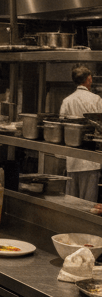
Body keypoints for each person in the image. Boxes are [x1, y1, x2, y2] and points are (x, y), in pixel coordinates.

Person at [60, 66, 102, 202]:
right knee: (88, 203)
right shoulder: (96, 100)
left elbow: (61, 126)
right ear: (89, 79)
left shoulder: (67, 101)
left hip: (72, 158)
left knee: (71, 202)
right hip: (91, 159)